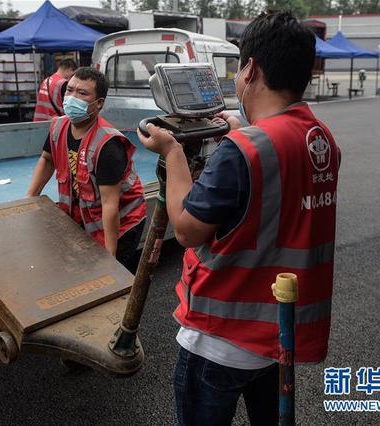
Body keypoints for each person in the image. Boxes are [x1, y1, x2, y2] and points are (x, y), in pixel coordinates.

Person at [138, 11, 340, 425]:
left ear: (251, 69)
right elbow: (271, 198)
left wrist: (173, 153)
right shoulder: (319, 138)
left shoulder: (242, 150)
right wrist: (239, 128)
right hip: (277, 334)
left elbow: (188, 229)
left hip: (222, 336)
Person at [27, 67, 147, 272]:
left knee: (110, 281)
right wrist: (29, 199)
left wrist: (110, 256)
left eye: (82, 93)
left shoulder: (108, 144)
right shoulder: (58, 126)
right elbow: (47, 160)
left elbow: (110, 204)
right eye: (70, 90)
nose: (72, 97)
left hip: (122, 222)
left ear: (98, 103)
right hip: (85, 216)